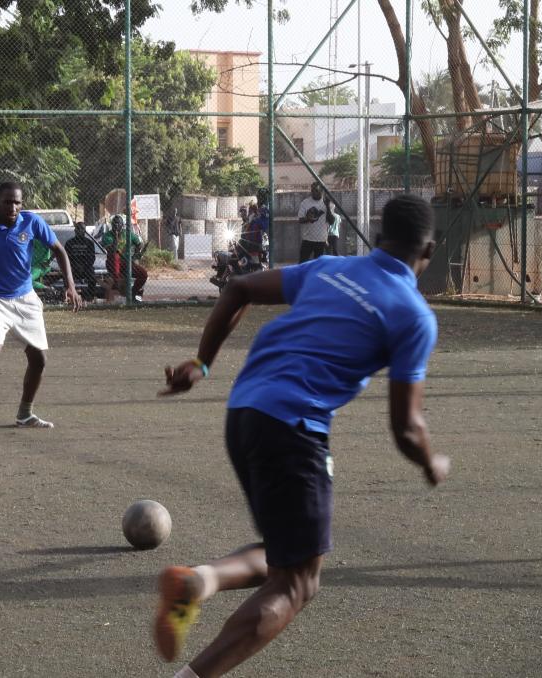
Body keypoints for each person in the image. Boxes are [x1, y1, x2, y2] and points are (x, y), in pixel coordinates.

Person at [150, 194, 451, 678]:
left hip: (245, 410)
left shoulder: (331, 268)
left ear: (377, 239)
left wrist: (203, 362)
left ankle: (196, 582)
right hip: (293, 427)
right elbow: (406, 427)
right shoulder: (413, 314)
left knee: (285, 552)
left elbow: (240, 288)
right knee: (298, 584)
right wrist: (431, 462)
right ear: (429, 251)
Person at [0, 182, 84, 432]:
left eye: (17, 202)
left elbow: (59, 250)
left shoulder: (31, 222)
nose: (13, 207)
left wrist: (71, 286)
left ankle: (25, 414)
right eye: (7, 202)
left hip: (26, 299)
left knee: (39, 359)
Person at [102, 214, 148, 302]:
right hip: (113, 263)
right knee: (116, 255)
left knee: (143, 274)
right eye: (114, 223)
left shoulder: (127, 234)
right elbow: (112, 250)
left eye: (118, 223)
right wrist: (115, 237)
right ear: (112, 224)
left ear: (122, 225)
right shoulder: (107, 235)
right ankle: (117, 282)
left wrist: (137, 251)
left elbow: (139, 243)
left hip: (127, 262)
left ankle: (133, 293)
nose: (116, 225)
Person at [65, 221, 100, 301]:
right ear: (75, 230)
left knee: (92, 275)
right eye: (78, 228)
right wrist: (75, 265)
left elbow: (92, 258)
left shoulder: (89, 243)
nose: (80, 230)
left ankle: (90, 297)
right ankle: (69, 295)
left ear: (85, 231)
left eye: (82, 229)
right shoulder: (69, 243)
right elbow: (66, 258)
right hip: (73, 268)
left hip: (86, 267)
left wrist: (84, 266)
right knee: (66, 274)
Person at [296, 187, 328, 263]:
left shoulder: (327, 202)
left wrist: (328, 208)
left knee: (319, 264)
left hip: (321, 239)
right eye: (313, 191)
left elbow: (332, 220)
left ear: (322, 191)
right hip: (308, 238)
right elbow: (300, 219)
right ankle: (302, 275)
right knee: (302, 262)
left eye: (317, 191)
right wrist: (308, 219)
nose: (314, 193)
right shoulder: (305, 202)